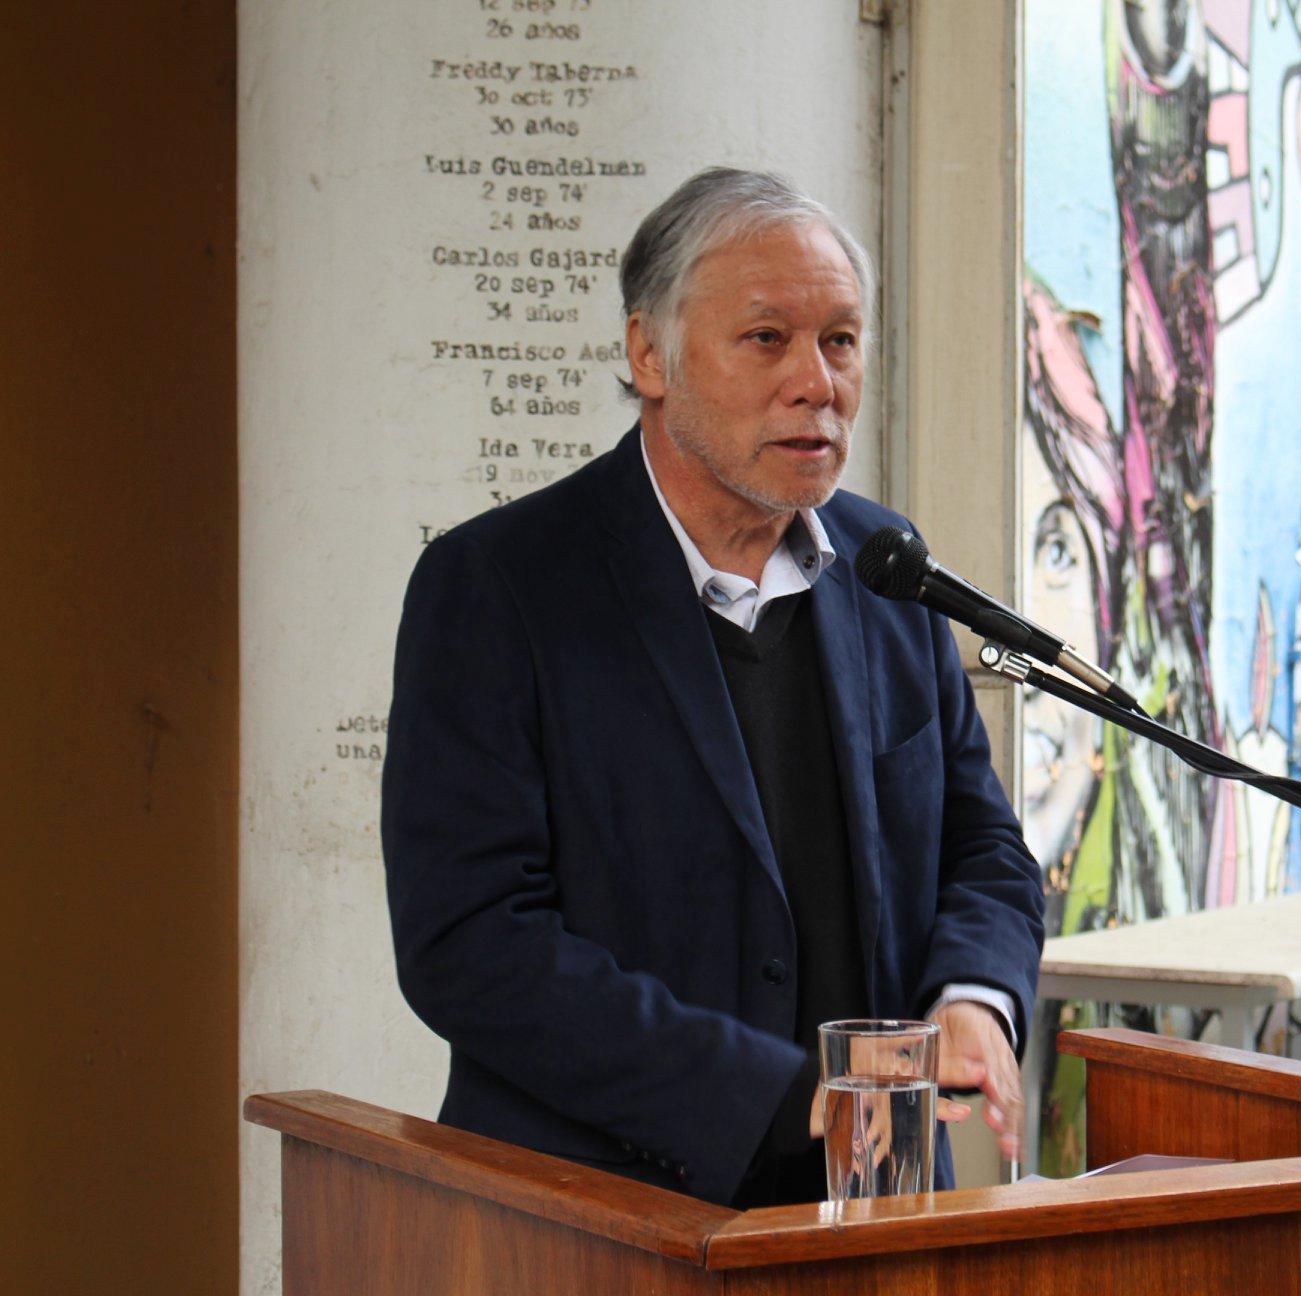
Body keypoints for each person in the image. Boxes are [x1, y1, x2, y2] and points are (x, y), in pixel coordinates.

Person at [380, 167, 1044, 1208]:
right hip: (598, 1216)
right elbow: (468, 942)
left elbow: (982, 844)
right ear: (650, 353)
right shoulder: (501, 586)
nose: (817, 383)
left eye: (842, 340)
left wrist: (973, 997)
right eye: (768, 338)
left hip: (871, 1202)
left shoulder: (887, 565)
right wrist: (782, 1097)